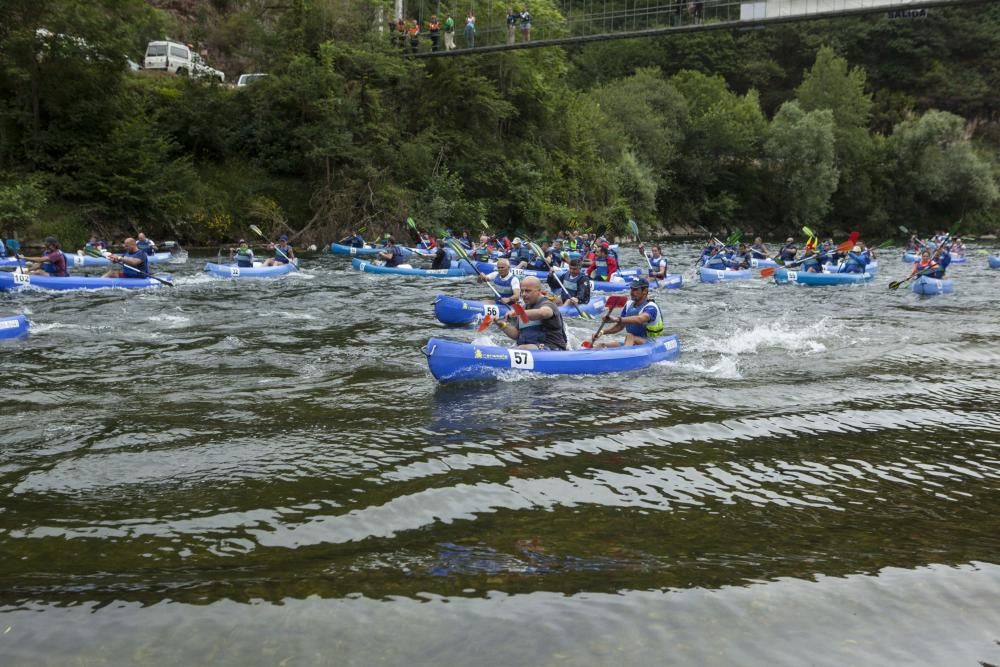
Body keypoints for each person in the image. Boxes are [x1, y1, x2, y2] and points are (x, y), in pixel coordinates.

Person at [495, 276, 567, 350]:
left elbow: (544, 313)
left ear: (539, 291)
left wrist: (518, 312)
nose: (523, 294)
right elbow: (516, 335)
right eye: (522, 291)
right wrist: (502, 324)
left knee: (523, 347)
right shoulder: (523, 308)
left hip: (553, 349)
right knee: (520, 347)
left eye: (528, 291)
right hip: (530, 349)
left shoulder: (548, 304)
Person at [594, 277, 663, 348]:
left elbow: (640, 319)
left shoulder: (651, 307)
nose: (632, 292)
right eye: (631, 289)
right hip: (632, 341)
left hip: (651, 343)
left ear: (645, 291)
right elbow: (620, 326)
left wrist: (618, 319)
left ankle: (623, 355)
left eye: (636, 289)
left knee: (630, 336)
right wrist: (602, 332)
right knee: (601, 345)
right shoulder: (629, 304)